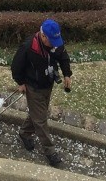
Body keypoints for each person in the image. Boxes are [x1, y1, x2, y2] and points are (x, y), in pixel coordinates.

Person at [11, 18, 73, 167]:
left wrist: (67, 74)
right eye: (51, 41)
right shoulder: (28, 46)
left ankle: (24, 133)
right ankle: (50, 151)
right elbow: (16, 66)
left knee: (38, 113)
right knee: (40, 119)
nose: (54, 44)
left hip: (48, 83)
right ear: (43, 35)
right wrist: (20, 83)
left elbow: (63, 57)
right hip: (33, 86)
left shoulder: (56, 43)